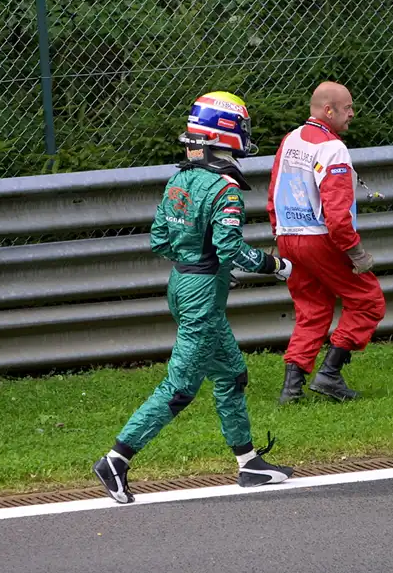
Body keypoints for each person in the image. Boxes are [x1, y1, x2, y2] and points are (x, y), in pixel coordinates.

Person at [93, 91, 295, 504]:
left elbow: (159, 241)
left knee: (232, 374)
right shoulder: (225, 188)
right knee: (181, 386)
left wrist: (196, 265)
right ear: (228, 133)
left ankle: (249, 463)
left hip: (182, 284)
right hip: (202, 294)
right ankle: (117, 459)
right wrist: (276, 266)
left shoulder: (178, 179)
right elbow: (233, 251)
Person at [267, 81, 387, 404]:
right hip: (320, 240)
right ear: (328, 110)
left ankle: (291, 389)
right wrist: (356, 252)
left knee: (312, 309)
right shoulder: (333, 149)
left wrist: (279, 235)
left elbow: (273, 194)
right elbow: (336, 215)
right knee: (369, 300)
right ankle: (329, 375)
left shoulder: (290, 140)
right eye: (347, 108)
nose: (352, 114)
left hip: (289, 238)